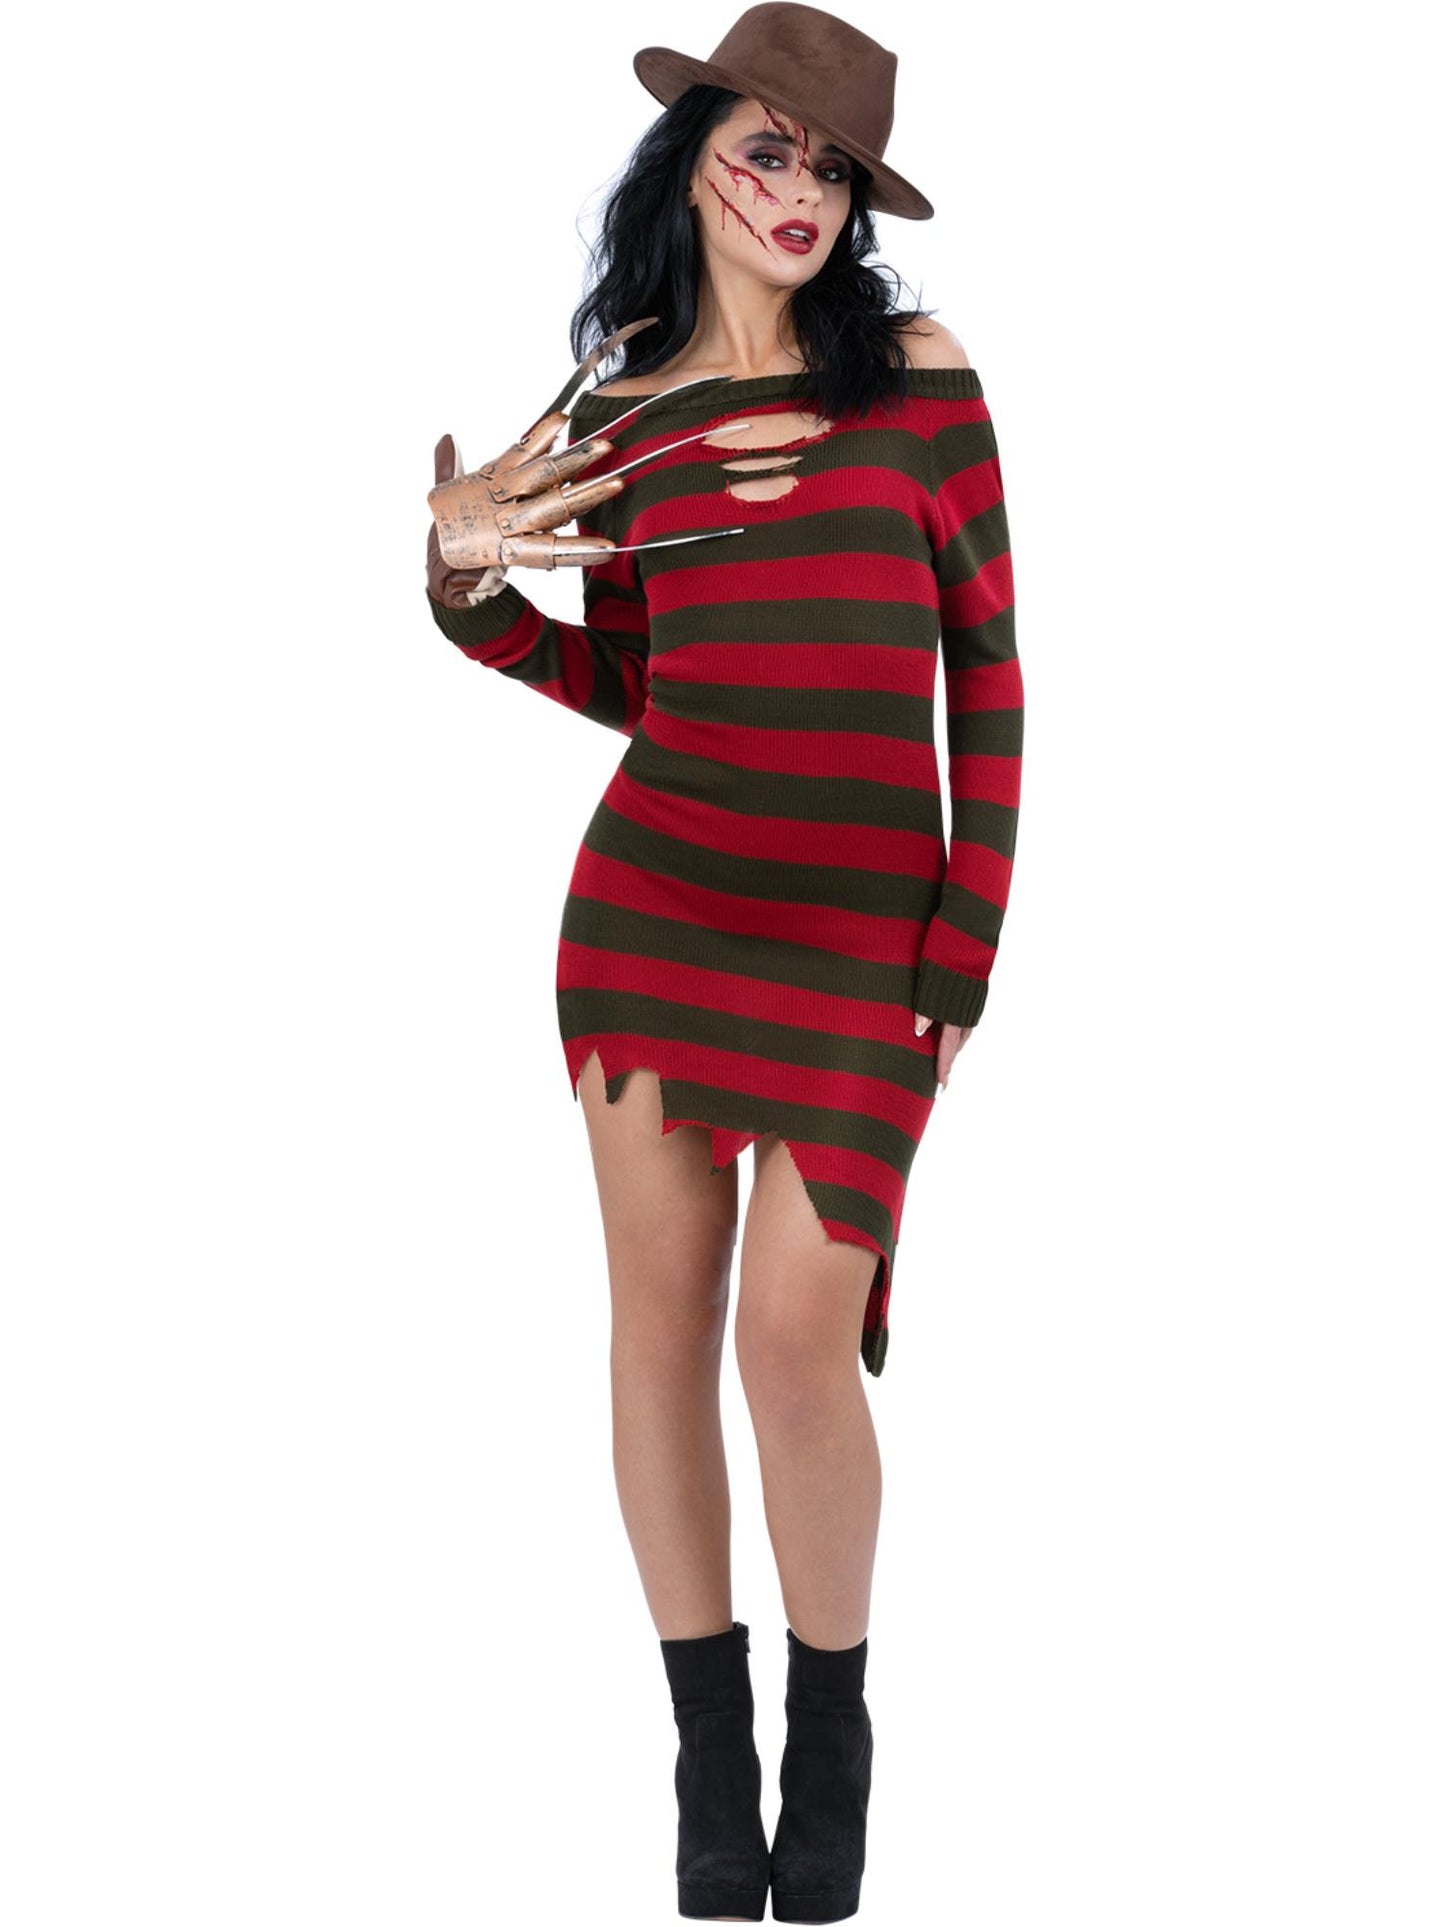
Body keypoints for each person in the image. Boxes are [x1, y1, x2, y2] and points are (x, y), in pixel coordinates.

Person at [423, 6, 1023, 1919]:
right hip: (654, 920)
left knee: (791, 1337)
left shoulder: (918, 378)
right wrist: (461, 596)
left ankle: (830, 1727)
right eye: (763, 148)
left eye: (828, 169)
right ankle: (707, 1748)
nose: (793, 192)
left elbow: (990, 675)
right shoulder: (621, 419)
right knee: (661, 1330)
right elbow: (633, 682)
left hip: (867, 945)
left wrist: (966, 943)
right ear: (691, 160)